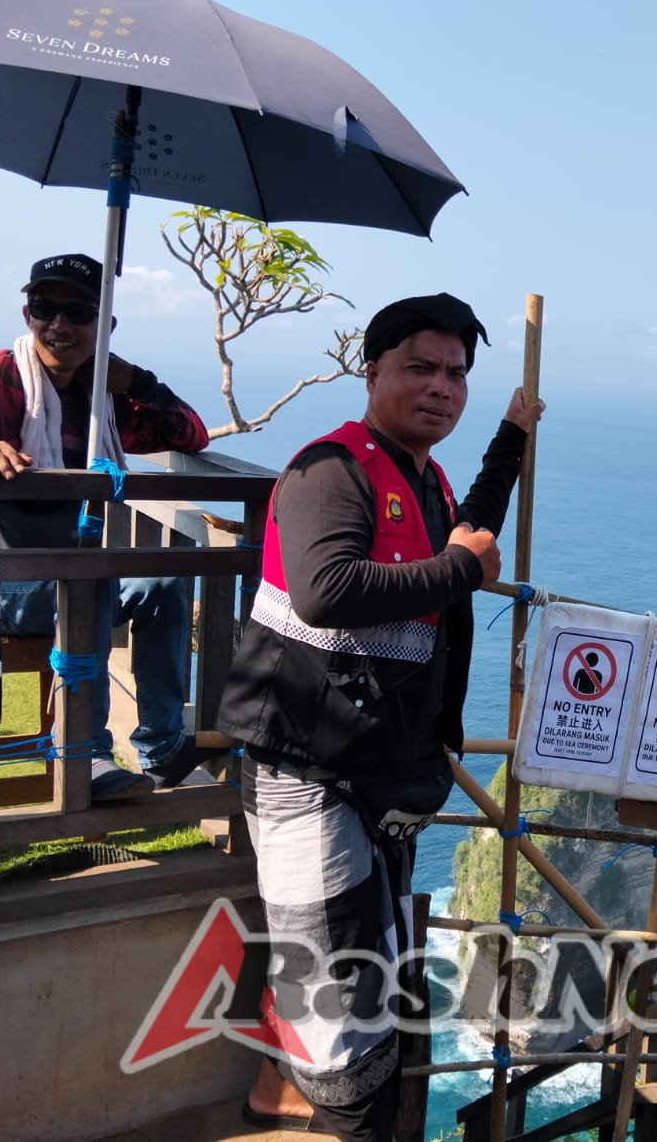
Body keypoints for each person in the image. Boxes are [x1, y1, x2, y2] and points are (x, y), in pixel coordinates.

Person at [215, 292, 544, 1140]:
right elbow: (329, 592)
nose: (441, 387)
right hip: (309, 769)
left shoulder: (422, 477)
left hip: (373, 772)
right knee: (341, 1006)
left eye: (456, 375)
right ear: (373, 372)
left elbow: (469, 530)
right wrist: (462, 574)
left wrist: (511, 435)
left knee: (352, 971)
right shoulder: (334, 471)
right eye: (421, 368)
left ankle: (277, 1096)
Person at [0, 253, 213, 802]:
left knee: (162, 583)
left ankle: (162, 746)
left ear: (105, 325)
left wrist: (140, 381)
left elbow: (191, 434)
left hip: (65, 574)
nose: (60, 325)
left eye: (79, 312)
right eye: (45, 308)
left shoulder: (105, 398)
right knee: (88, 580)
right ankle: (86, 754)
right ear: (27, 313)